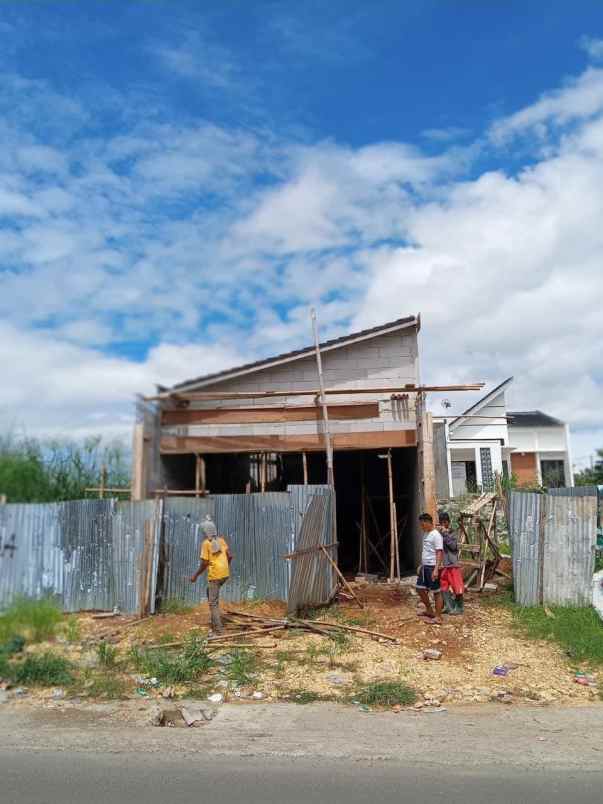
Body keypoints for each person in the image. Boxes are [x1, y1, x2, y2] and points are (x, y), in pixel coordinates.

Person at [189, 516, 233, 635]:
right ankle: (215, 622)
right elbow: (230, 556)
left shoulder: (206, 543)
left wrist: (195, 576)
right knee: (210, 592)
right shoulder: (221, 540)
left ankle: (218, 630)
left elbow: (205, 563)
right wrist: (225, 566)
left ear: (205, 532)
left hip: (216, 575)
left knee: (213, 603)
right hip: (225, 574)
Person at [416, 512, 444, 624]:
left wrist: (436, 569)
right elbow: (426, 551)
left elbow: (439, 552)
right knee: (419, 588)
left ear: (428, 522)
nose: (421, 527)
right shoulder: (426, 534)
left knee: (436, 592)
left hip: (432, 566)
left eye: (422, 525)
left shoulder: (436, 535)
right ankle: (429, 610)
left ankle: (438, 617)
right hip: (425, 567)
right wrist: (421, 565)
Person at [438, 512, 464, 615]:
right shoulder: (440, 534)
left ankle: (459, 608)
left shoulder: (453, 533)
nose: (443, 524)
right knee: (443, 586)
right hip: (444, 565)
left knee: (457, 586)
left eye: (445, 522)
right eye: (441, 522)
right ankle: (449, 607)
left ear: (448, 522)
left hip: (453, 564)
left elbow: (453, 546)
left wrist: (445, 534)